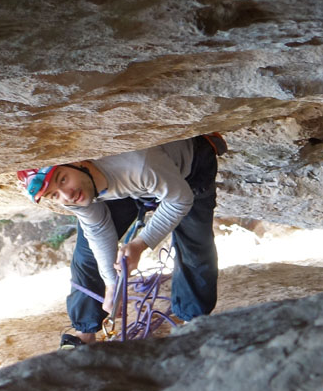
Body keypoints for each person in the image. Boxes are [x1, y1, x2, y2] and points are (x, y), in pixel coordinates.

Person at [18, 133, 226, 348]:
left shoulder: (140, 165)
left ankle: (194, 321)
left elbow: (180, 200)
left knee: (194, 243)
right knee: (87, 252)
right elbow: (98, 231)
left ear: (77, 162)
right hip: (116, 187)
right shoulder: (73, 194)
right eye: (54, 194)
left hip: (188, 170)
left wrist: (140, 244)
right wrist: (111, 285)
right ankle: (84, 332)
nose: (66, 195)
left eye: (62, 178)